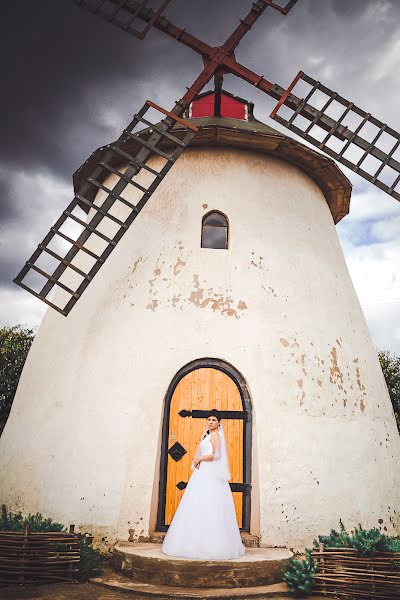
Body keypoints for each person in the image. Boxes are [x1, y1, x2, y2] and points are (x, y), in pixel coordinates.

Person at [161, 409, 245, 560]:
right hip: (203, 473)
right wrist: (197, 459)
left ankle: (213, 544)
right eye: (209, 419)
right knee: (197, 502)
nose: (210, 422)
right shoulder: (207, 434)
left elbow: (217, 455)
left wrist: (200, 459)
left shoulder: (215, 435)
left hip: (210, 472)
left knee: (210, 503)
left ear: (219, 422)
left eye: (214, 420)